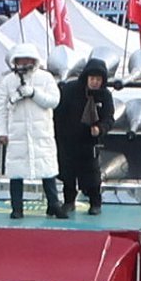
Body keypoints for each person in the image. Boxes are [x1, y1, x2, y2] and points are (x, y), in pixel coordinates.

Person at [0, 42, 64, 220]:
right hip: (17, 134)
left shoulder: (46, 78)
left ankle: (53, 204)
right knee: (16, 171)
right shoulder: (7, 81)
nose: (24, 63)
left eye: (27, 59)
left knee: (47, 169)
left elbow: (54, 101)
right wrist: (2, 132)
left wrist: (33, 93)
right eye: (20, 59)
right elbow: (1, 108)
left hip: (41, 132)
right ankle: (16, 207)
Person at [55, 58, 114, 216]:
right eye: (92, 78)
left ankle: (95, 203)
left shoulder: (105, 96)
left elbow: (109, 119)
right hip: (68, 141)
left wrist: (100, 129)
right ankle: (69, 202)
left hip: (90, 143)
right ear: (86, 78)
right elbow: (58, 113)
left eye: (98, 79)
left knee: (92, 176)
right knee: (67, 174)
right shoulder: (70, 90)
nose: (95, 82)